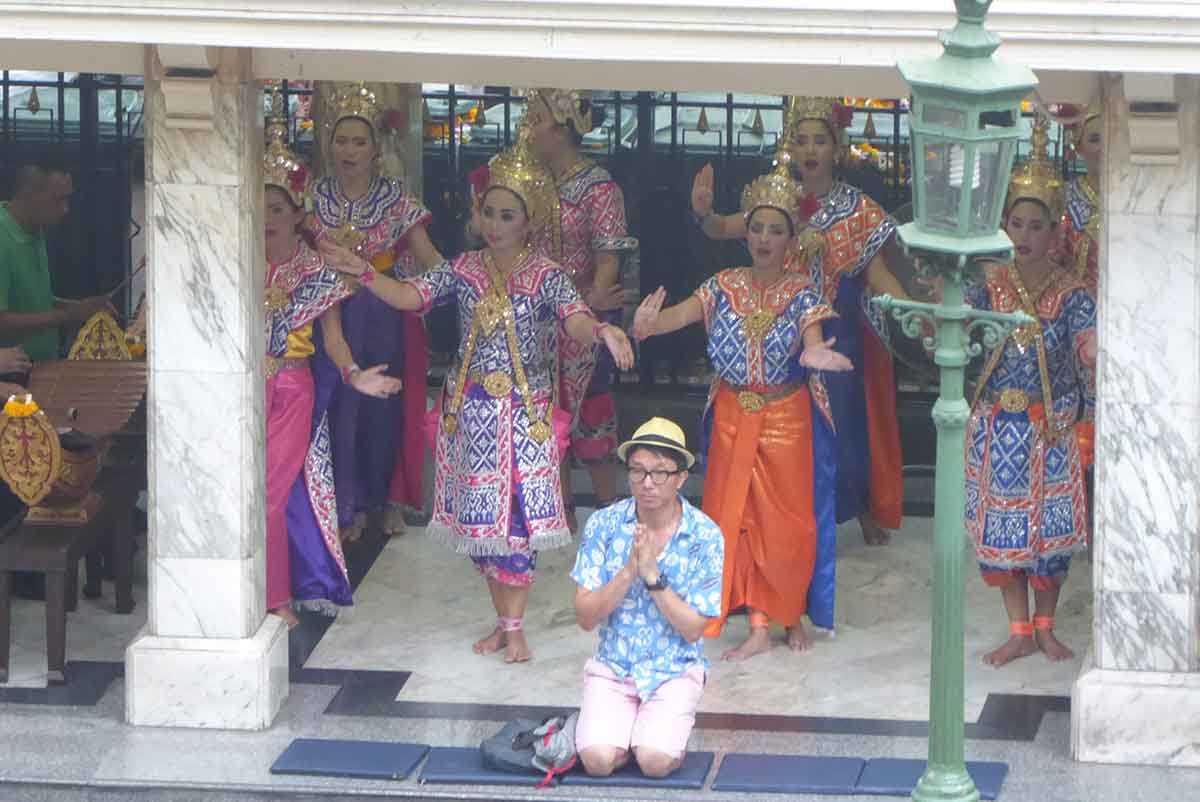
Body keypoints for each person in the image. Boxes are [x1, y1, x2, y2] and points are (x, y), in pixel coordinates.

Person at [319, 130, 634, 663]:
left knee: (514, 529)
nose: (495, 225)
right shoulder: (463, 269)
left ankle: (516, 630)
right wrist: (365, 273)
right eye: (489, 213)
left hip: (523, 417)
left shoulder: (546, 275)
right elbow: (409, 294)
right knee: (480, 530)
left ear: (530, 220)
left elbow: (575, 320)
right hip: (470, 417)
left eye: (508, 215)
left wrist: (602, 331)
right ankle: (503, 622)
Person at [634, 159, 851, 660]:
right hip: (734, 413)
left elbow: (812, 338)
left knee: (789, 524)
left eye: (776, 229)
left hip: (786, 416)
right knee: (736, 517)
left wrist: (814, 353)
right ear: (745, 233)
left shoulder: (803, 292)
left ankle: (791, 611)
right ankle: (757, 622)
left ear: (791, 238)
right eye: (756, 227)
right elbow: (678, 317)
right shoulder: (721, 285)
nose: (764, 237)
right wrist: (647, 325)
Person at [691, 96, 906, 546]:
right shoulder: (776, 201)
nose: (811, 151)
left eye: (820, 141)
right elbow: (721, 229)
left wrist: (916, 311)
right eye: (801, 140)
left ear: (837, 146)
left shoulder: (857, 209)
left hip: (831, 334)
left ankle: (855, 506)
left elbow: (879, 274)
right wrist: (704, 212)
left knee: (841, 429)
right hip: (773, 336)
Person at [261, 104, 402, 628]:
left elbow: (335, 339)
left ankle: (275, 597)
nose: (267, 216)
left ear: (298, 214)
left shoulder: (315, 271)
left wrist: (352, 374)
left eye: (277, 208)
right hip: (240, 389)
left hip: (292, 390)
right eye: (259, 206)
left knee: (269, 492)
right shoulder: (237, 261)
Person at [965, 119, 1097, 667]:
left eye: (1035, 225)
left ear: (1053, 231)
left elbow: (1089, 348)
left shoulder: (1072, 292)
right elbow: (959, 335)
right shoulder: (986, 284)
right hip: (998, 425)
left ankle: (1045, 627)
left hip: (1054, 427)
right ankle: (1018, 629)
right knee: (1004, 531)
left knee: (1050, 539)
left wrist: (1093, 354)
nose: (1024, 234)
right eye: (1015, 222)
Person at [306, 82, 444, 540]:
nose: (349, 150)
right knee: (337, 408)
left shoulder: (397, 199)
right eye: (341, 140)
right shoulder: (309, 199)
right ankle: (348, 506)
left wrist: (465, 281)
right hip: (329, 314)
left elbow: (429, 258)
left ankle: (386, 501)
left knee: (386, 408)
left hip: (384, 313)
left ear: (376, 147)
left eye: (359, 141)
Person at [571, 417, 723, 779]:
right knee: (597, 761)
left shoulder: (706, 536)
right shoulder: (604, 525)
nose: (647, 483)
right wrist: (628, 572)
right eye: (637, 472)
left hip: (673, 670)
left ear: (682, 477)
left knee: (653, 762)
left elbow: (692, 630)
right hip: (614, 667)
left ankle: (658, 735)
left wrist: (653, 576)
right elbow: (585, 617)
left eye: (660, 473)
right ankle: (625, 728)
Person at [524, 88, 637, 529]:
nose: (527, 130)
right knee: (543, 412)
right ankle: (562, 512)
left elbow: (610, 257)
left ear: (563, 128)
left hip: (584, 319)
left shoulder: (598, 187)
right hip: (534, 317)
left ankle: (609, 511)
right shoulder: (527, 181)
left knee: (591, 411)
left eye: (535, 120)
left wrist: (586, 303)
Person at [1, 156, 114, 369]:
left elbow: (34, 300)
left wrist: (80, 307)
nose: (65, 209)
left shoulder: (35, 230)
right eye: (57, 200)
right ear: (28, 195)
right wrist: (67, 316)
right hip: (10, 380)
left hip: (41, 368)